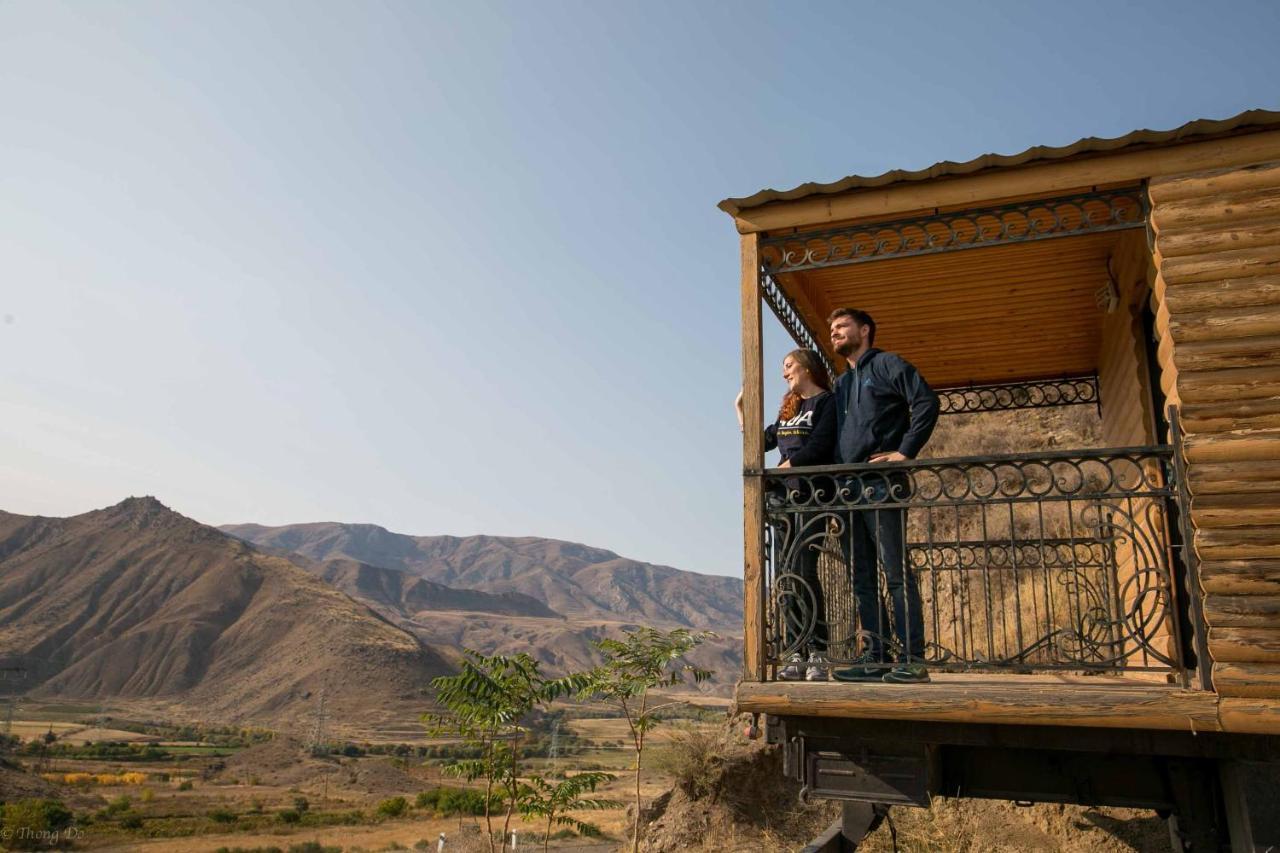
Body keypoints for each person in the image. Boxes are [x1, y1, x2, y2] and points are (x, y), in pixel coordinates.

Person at [826, 308, 940, 685]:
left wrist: (906, 451)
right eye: (832, 329)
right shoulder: (841, 383)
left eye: (842, 327)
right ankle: (875, 656)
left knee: (895, 572)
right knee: (862, 577)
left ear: (865, 330)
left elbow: (925, 402)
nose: (835, 333)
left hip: (881, 485)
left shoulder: (887, 365)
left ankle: (913, 659)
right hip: (847, 490)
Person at [736, 349, 836, 681]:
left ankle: (819, 653)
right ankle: (796, 652)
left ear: (808, 368)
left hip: (812, 498)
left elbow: (820, 447)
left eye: (789, 366)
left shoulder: (827, 404)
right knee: (786, 578)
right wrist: (740, 410)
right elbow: (760, 442)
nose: (785, 373)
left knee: (805, 573)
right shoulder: (788, 411)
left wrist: (784, 468)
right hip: (782, 503)